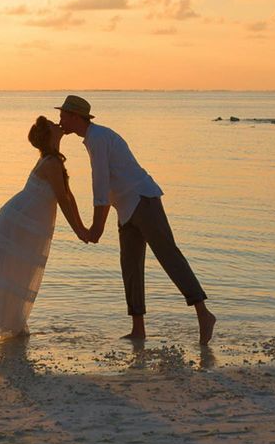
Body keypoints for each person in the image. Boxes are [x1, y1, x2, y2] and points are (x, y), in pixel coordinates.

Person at [55, 95, 215, 345]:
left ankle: (204, 315)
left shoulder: (98, 138)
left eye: (63, 115)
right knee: (130, 267)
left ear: (76, 117)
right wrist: (96, 226)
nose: (60, 120)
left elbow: (100, 186)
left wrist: (95, 229)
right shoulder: (92, 139)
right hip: (126, 207)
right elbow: (106, 188)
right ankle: (138, 329)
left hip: (143, 200)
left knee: (168, 256)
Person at [0, 116, 93, 343]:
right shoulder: (51, 163)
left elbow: (69, 196)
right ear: (50, 135)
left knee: (19, 270)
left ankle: (14, 320)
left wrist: (82, 227)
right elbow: (62, 200)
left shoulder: (54, 160)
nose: (57, 124)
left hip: (29, 223)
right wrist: (80, 231)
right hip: (18, 220)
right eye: (53, 124)